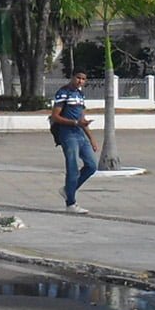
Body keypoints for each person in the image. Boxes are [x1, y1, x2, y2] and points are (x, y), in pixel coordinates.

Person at [49, 69, 101, 213]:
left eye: (84, 79)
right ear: (72, 77)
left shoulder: (80, 94)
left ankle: (68, 189)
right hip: (68, 134)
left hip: (80, 134)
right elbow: (55, 116)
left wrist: (91, 138)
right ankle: (70, 203)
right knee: (72, 168)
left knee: (91, 165)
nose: (80, 81)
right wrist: (74, 123)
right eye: (78, 78)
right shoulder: (63, 92)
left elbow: (82, 118)